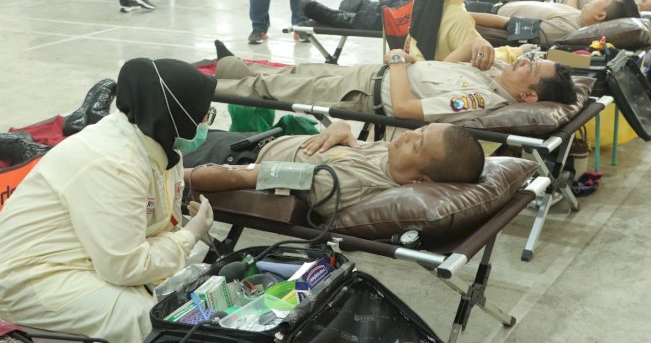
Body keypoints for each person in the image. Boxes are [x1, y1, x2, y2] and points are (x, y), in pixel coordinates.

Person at [0, 58, 217, 343]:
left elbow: (155, 229)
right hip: (33, 276)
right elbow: (125, 265)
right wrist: (189, 236)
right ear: (177, 112)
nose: (205, 124)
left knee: (181, 299)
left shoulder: (160, 145)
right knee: (141, 319)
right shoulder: (114, 161)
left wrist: (181, 233)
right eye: (204, 115)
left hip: (89, 258)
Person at [213, 39, 577, 124]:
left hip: (362, 92)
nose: (524, 61)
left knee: (271, 89)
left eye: (531, 67)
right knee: (292, 73)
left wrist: (399, 61)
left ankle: (194, 87)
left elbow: (403, 109)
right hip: (369, 74)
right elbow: (447, 65)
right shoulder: (498, 74)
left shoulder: (482, 101)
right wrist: (475, 44)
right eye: (531, 58)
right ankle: (229, 64)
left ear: (529, 96)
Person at [184, 120, 484, 218]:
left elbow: (242, 176)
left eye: (417, 145)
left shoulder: (348, 183)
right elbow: (351, 142)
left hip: (230, 157)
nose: (408, 135)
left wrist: (169, 176)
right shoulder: (394, 158)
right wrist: (341, 128)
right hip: (258, 139)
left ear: (419, 181)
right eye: (420, 130)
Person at [473, 0, 641, 45]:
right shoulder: (580, 18)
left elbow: (508, 24)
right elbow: (569, 8)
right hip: (497, 4)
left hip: (487, 13)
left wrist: (466, 15)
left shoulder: (564, 30)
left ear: (600, 15)